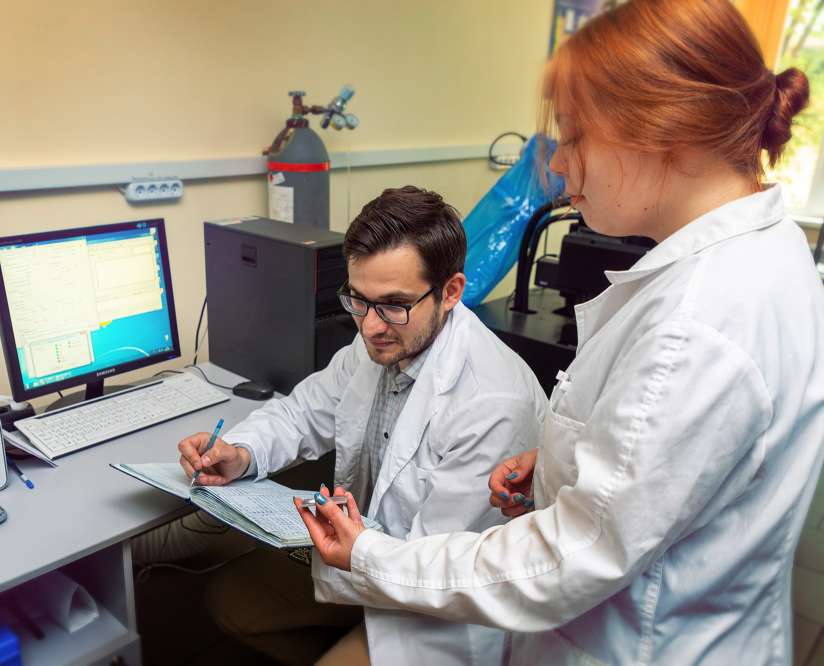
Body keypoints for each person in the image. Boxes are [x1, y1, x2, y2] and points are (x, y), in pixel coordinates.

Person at [296, 1, 824, 664]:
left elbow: (565, 561)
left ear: (665, 129)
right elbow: (679, 464)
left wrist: (370, 555)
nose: (561, 166)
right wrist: (561, 467)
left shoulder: (697, 323)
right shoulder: (766, 250)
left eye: (574, 137)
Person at [176, 185, 547, 665]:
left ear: (451, 292)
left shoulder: (492, 403)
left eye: (393, 304)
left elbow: (434, 569)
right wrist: (241, 452)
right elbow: (304, 411)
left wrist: (356, 557)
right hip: (364, 561)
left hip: (439, 606)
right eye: (358, 300)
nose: (370, 326)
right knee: (231, 603)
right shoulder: (384, 338)